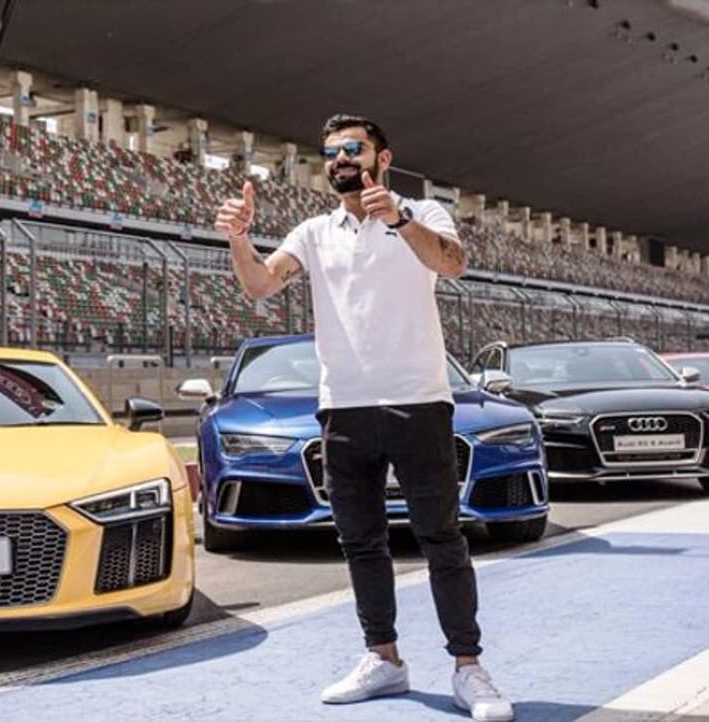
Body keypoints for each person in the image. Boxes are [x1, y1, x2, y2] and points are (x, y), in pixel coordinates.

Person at [214, 114, 514, 722]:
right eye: (331, 152)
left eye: (354, 148)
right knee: (360, 541)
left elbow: (452, 263)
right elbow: (261, 285)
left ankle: (468, 665)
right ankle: (384, 658)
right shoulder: (314, 231)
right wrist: (240, 239)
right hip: (344, 407)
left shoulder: (422, 213)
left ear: (383, 157)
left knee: (440, 537)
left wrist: (398, 220)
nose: (341, 159)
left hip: (418, 400)